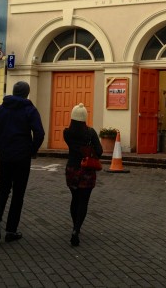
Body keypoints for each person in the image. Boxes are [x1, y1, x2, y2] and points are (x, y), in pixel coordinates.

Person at [0, 81, 44, 242]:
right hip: (22, 156)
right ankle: (11, 230)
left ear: (13, 91)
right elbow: (39, 133)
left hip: (5, 155)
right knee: (18, 193)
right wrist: (32, 150)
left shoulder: (1, 109)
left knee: (3, 188)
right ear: (27, 93)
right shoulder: (29, 109)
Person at [63, 103, 103, 246]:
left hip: (72, 168)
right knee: (84, 200)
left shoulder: (66, 133)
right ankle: (76, 228)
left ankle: (75, 226)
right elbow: (99, 151)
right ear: (85, 117)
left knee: (75, 198)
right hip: (86, 170)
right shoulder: (90, 132)